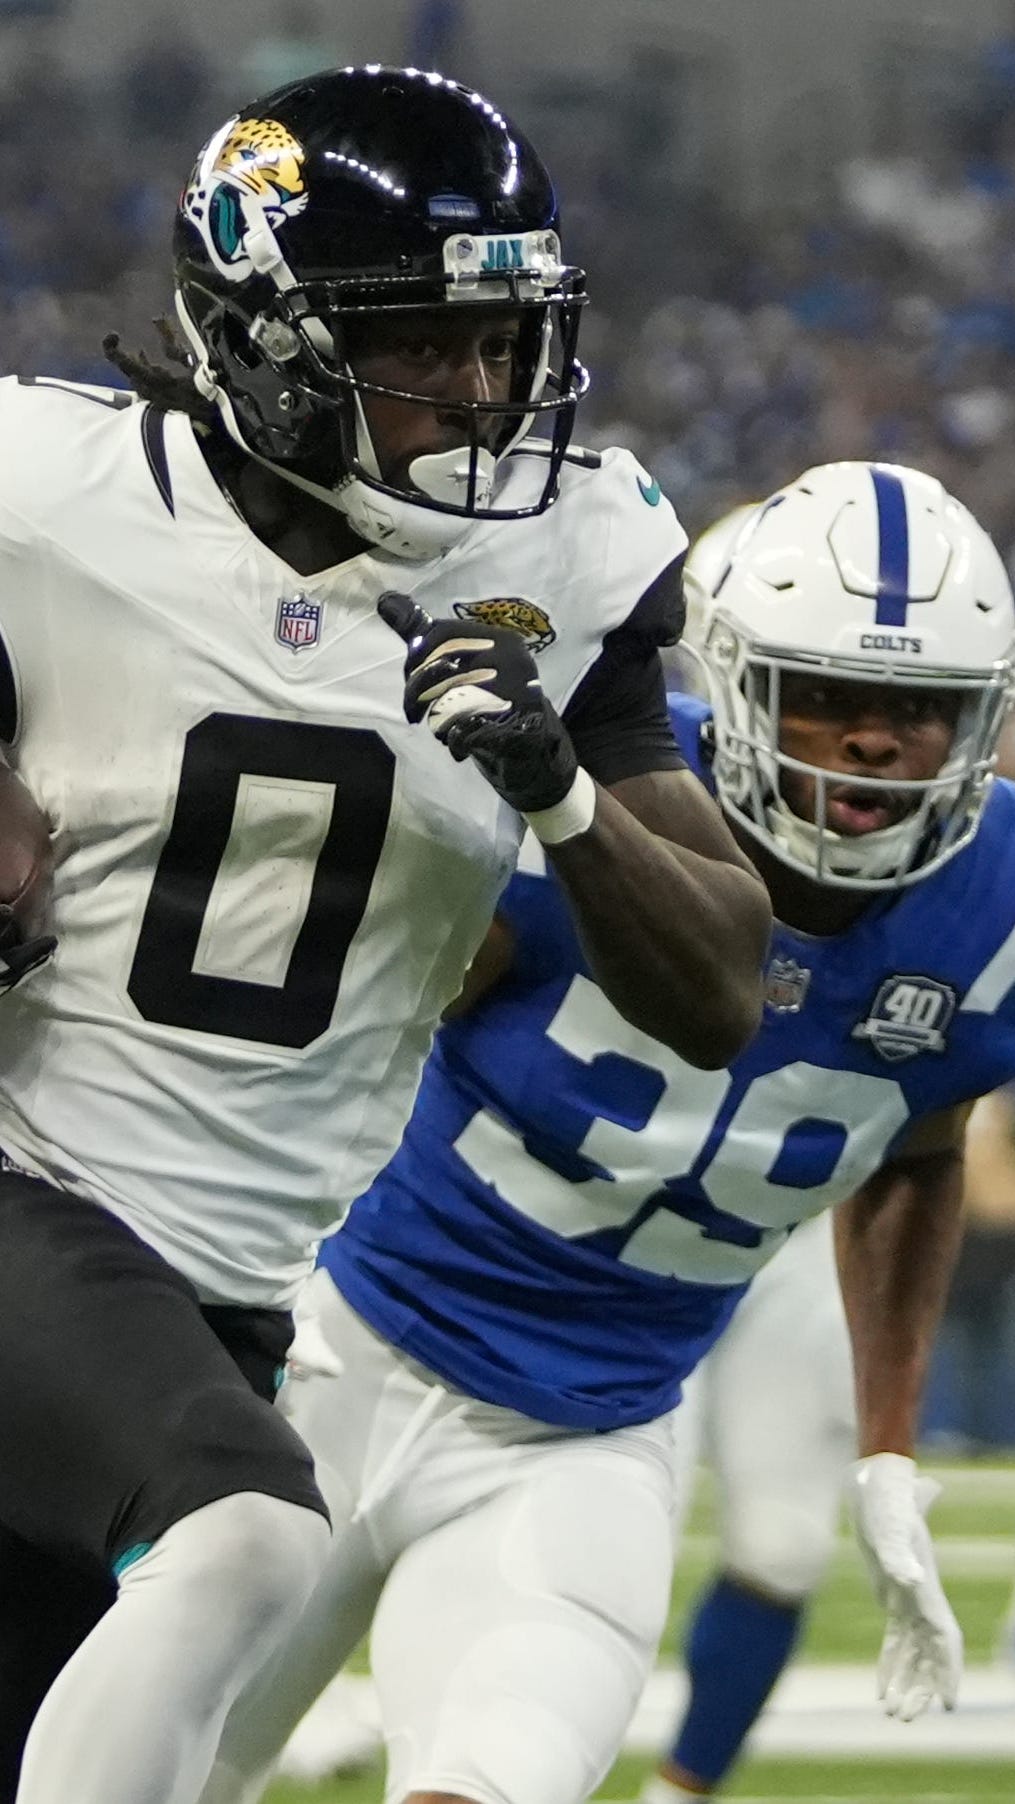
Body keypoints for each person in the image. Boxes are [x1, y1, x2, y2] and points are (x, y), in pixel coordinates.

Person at [0, 65, 771, 1804]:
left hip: (238, 1293)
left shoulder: (567, 566)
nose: (484, 391)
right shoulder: (50, 493)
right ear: (264, 332)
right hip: (29, 1192)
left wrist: (564, 795)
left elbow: (724, 983)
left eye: (508, 346)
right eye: (427, 341)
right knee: (248, 1541)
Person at [200, 456, 1015, 1804]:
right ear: (739, 691)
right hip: (336, 1351)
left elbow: (921, 1149)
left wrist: (886, 1444)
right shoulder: (597, 798)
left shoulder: (991, 908)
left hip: (583, 1438)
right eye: (828, 699)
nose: (875, 742)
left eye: (918, 713)